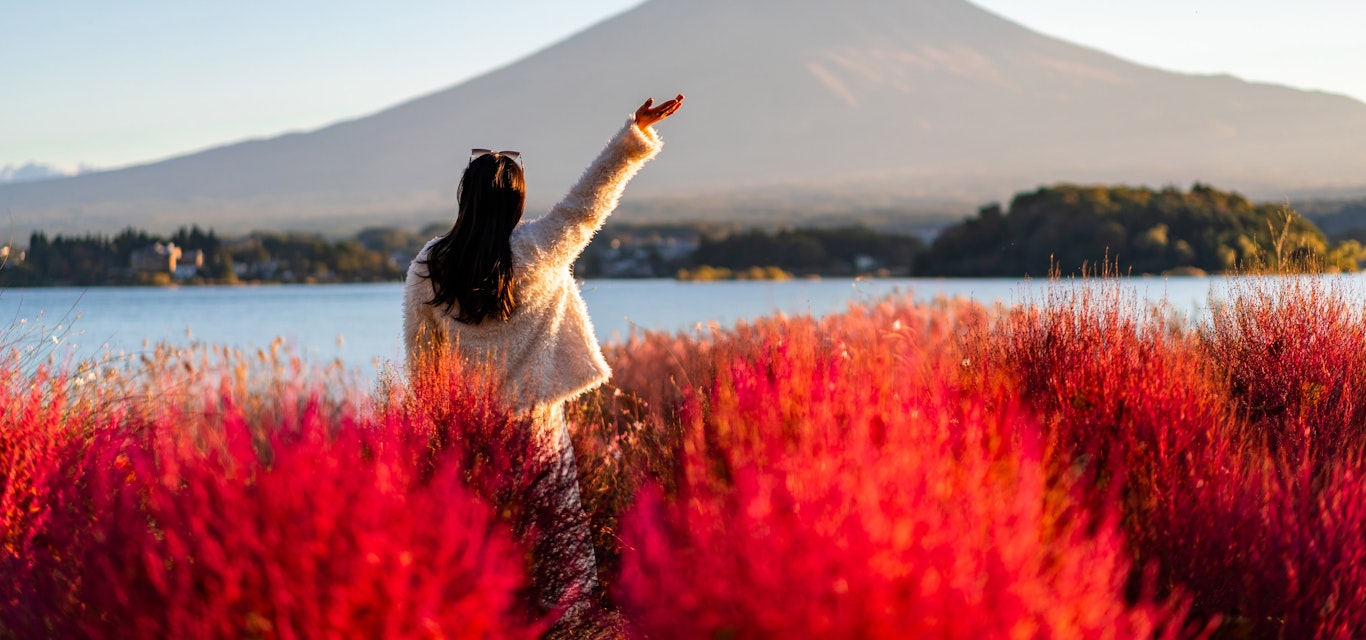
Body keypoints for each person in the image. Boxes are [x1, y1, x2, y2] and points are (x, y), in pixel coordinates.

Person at [402, 94, 683, 626]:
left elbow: (422, 367)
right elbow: (588, 203)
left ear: (465, 198)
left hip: (466, 436)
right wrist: (633, 135)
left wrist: (432, 438)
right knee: (553, 555)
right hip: (536, 431)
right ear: (516, 203)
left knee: (476, 558)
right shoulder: (540, 248)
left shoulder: (429, 266)